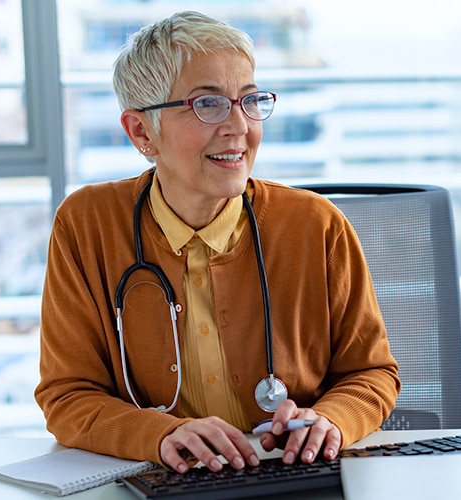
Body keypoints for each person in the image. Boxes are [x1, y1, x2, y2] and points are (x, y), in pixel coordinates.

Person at [35, 10, 400, 474]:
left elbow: (371, 373)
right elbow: (67, 396)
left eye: (249, 101)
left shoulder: (316, 224)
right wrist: (160, 434)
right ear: (141, 132)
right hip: (167, 477)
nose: (239, 127)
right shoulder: (86, 225)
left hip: (294, 473)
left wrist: (330, 420)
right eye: (208, 104)